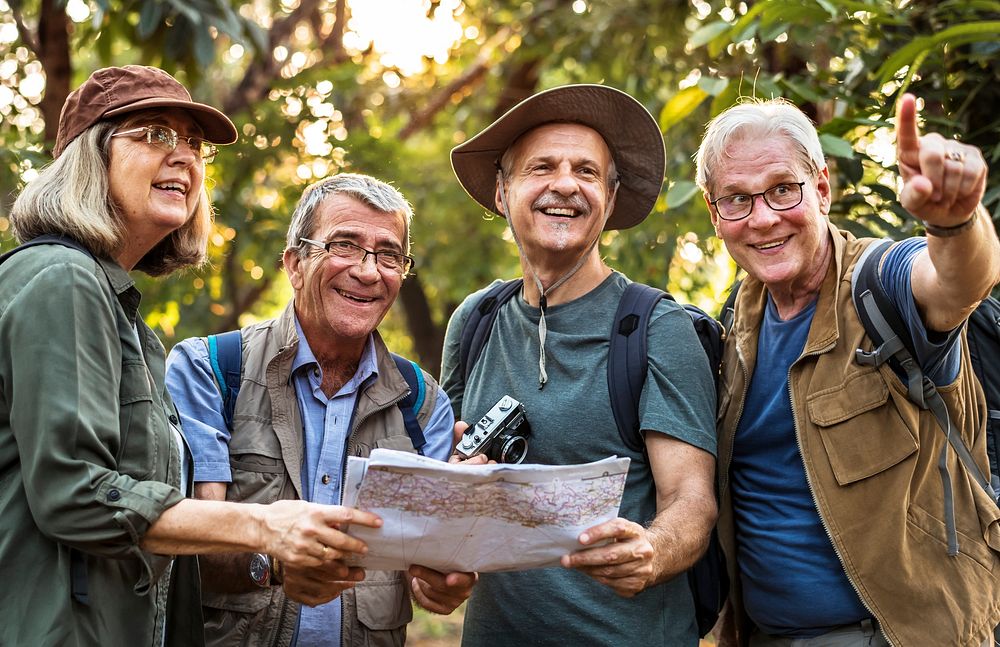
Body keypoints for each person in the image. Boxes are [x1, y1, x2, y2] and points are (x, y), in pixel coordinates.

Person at [0, 65, 384, 647]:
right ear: (89, 157)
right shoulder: (61, 277)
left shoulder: (121, 311)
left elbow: (148, 529)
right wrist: (265, 523)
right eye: (155, 134)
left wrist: (272, 565)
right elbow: (74, 496)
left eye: (195, 144)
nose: (184, 156)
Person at [696, 94, 1000, 647]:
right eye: (736, 199)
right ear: (715, 215)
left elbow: (956, 283)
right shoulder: (733, 325)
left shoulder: (878, 283)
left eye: (782, 189)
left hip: (901, 635)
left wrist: (955, 225)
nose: (762, 218)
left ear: (822, 188)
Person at [442, 84, 718, 645]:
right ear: (502, 191)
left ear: (610, 200)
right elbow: (446, 480)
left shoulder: (656, 327)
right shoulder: (475, 321)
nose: (564, 184)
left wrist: (653, 550)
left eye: (586, 172)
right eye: (541, 167)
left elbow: (692, 502)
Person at [165, 172, 476, 647]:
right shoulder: (209, 369)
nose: (369, 271)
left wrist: (444, 575)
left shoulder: (424, 402)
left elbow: (423, 566)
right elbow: (183, 540)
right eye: (345, 245)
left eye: (389, 254)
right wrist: (269, 563)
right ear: (295, 265)